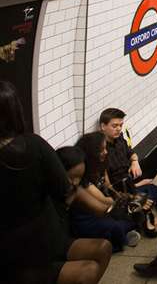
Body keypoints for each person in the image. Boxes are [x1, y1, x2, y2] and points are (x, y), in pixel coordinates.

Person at [0, 81, 112, 284]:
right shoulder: (33, 145)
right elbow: (67, 192)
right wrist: (103, 207)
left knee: (102, 248)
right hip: (23, 257)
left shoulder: (32, 146)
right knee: (88, 270)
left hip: (47, 240)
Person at [72, 132, 142, 252]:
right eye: (101, 149)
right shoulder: (84, 178)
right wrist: (126, 201)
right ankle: (118, 241)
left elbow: (109, 187)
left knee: (137, 212)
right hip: (91, 216)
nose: (105, 152)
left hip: (104, 209)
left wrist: (126, 197)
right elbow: (104, 203)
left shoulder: (101, 165)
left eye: (105, 148)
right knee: (119, 224)